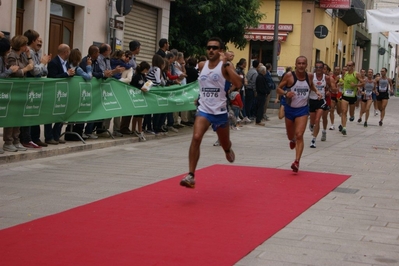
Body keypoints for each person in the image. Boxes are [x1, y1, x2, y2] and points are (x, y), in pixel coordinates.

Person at [180, 37, 242, 188]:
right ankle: (191, 175)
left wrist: (227, 64)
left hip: (220, 112)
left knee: (225, 143)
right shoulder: (202, 65)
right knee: (196, 137)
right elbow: (201, 84)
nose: (211, 50)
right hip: (204, 110)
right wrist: (199, 96)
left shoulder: (225, 66)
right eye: (208, 48)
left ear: (220, 51)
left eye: (214, 48)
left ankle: (227, 149)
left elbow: (238, 83)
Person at [276, 56, 321, 173]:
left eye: (303, 63)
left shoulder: (309, 76)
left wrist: (316, 92)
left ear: (306, 65)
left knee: (299, 134)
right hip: (290, 109)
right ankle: (292, 140)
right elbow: (278, 89)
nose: (301, 65)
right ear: (296, 64)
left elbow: (311, 85)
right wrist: (286, 93)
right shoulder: (289, 76)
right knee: (291, 136)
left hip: (302, 110)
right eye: (299, 63)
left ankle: (296, 162)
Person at [23, 29, 51, 148]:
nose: (40, 42)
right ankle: (26, 138)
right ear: (33, 41)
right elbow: (35, 71)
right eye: (38, 40)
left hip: (36, 87)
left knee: (35, 112)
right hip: (28, 87)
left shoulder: (37, 53)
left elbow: (44, 72)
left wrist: (43, 64)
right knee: (28, 112)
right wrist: (43, 63)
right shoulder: (27, 52)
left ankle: (35, 137)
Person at [45, 44, 74, 145]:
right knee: (50, 116)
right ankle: (48, 137)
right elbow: (52, 77)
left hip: (63, 92)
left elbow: (68, 73)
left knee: (61, 114)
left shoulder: (66, 63)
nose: (69, 53)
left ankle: (56, 135)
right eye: (69, 51)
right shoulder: (54, 62)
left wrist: (71, 73)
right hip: (54, 92)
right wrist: (66, 74)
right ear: (65, 52)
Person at [0, 36, 24, 153]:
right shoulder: (8, 57)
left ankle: (15, 140)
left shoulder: (4, 57)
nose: (9, 50)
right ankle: (8, 141)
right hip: (5, 91)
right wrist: (11, 71)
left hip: (12, 90)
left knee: (15, 115)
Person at [308, 61, 336, 148]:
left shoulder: (327, 78)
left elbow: (333, 88)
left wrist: (328, 91)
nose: (319, 69)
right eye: (317, 67)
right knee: (312, 121)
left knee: (318, 120)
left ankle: (313, 140)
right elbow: (307, 86)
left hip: (321, 100)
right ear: (315, 68)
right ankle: (312, 125)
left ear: (323, 68)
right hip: (312, 100)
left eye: (320, 67)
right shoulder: (311, 77)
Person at [340, 61, 364, 135]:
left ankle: (352, 115)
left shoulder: (356, 74)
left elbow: (363, 83)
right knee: (344, 111)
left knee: (351, 113)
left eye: (349, 65)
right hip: (345, 95)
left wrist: (356, 85)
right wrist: (340, 84)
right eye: (347, 65)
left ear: (353, 66)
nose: (348, 67)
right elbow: (345, 82)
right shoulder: (345, 73)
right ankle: (344, 128)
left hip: (352, 96)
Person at [130, 61, 151, 141]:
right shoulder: (136, 76)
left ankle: (139, 129)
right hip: (136, 96)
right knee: (136, 114)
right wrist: (140, 88)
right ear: (145, 69)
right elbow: (133, 86)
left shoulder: (143, 76)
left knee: (140, 115)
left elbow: (145, 84)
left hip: (142, 97)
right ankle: (135, 130)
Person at [329, 66, 343, 130]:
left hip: (339, 95)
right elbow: (331, 86)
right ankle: (332, 124)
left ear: (340, 71)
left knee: (339, 111)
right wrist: (336, 80)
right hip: (332, 95)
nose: (337, 71)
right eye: (336, 69)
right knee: (331, 109)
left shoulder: (342, 77)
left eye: (338, 70)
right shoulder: (331, 77)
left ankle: (342, 123)